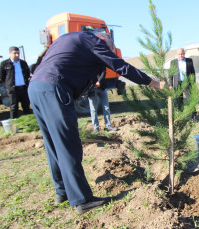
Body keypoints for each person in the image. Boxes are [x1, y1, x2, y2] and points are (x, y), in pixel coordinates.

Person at [28, 31, 165, 214]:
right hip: (54, 88)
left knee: (52, 143)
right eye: (108, 49)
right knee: (69, 145)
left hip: (36, 87)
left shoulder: (68, 39)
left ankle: (61, 191)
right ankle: (82, 200)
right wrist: (152, 83)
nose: (106, 53)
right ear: (104, 41)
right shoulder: (93, 40)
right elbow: (120, 66)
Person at [0, 46, 31, 119]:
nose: (17, 55)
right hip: (13, 89)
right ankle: (14, 124)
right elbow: (2, 77)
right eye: (15, 53)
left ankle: (27, 123)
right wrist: (9, 84)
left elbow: (27, 74)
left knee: (26, 106)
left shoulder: (23, 63)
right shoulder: (4, 63)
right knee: (14, 107)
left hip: (23, 88)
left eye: (18, 53)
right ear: (10, 53)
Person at [168, 48, 197, 120]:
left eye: (182, 54)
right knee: (179, 101)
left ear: (184, 53)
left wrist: (193, 84)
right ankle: (181, 117)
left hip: (187, 83)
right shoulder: (173, 62)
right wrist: (170, 85)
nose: (181, 55)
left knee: (191, 99)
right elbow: (170, 75)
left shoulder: (189, 61)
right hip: (177, 85)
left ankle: (193, 116)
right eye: (179, 54)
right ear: (177, 54)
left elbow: (193, 73)